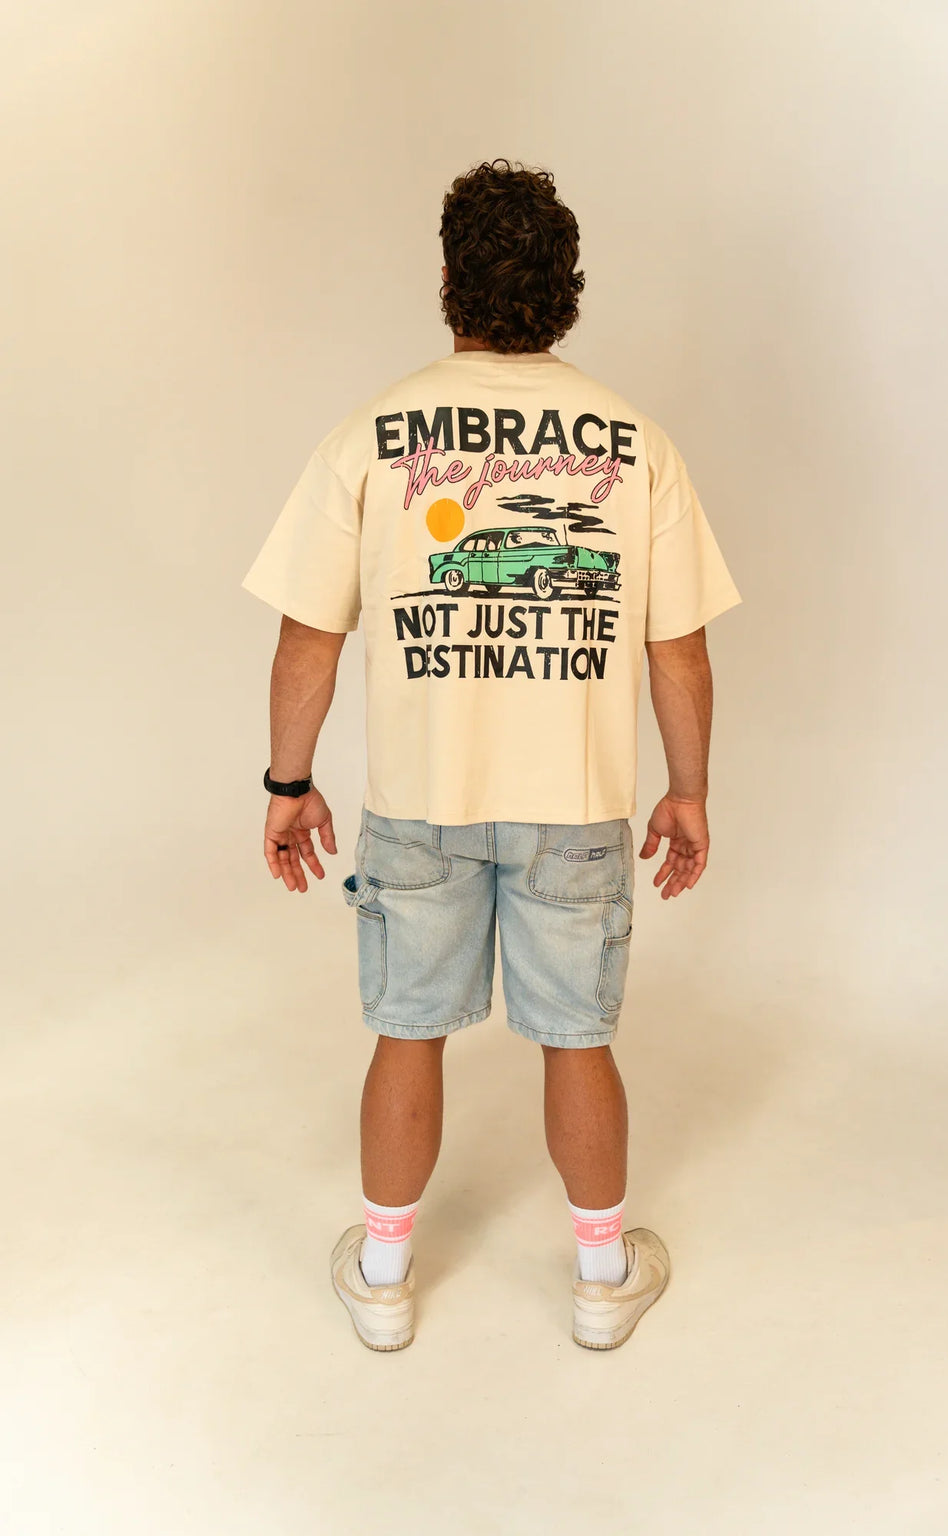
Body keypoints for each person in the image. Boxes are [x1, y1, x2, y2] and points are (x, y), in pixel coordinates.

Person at [240, 158, 741, 1352]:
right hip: (575, 807)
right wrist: (686, 791)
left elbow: (307, 636)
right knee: (581, 1039)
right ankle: (600, 1280)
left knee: (406, 1030)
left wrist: (288, 782)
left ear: (450, 283)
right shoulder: (637, 444)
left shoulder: (372, 431)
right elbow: (679, 655)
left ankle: (382, 1274)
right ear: (564, 290)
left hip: (422, 804)